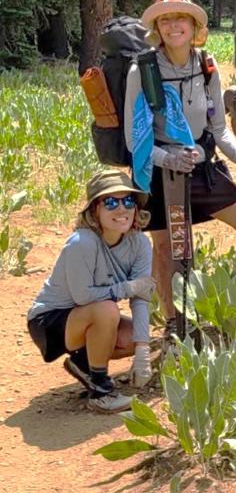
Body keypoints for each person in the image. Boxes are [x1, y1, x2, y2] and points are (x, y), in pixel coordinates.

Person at [125, 0, 236, 343]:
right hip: (160, 173)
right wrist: (167, 159)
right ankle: (176, 325)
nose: (173, 26)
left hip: (203, 167)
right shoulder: (142, 70)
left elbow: (218, 128)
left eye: (181, 19)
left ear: (195, 27)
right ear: (157, 29)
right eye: (165, 20)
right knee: (168, 249)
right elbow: (136, 139)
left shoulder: (206, 65)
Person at [27, 170, 155, 413]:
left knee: (133, 338)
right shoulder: (82, 242)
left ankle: (84, 364)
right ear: (94, 210)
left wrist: (142, 351)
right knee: (107, 310)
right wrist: (127, 288)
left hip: (90, 317)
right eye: (110, 202)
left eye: (128, 201)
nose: (121, 210)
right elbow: (83, 297)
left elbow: (141, 297)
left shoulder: (139, 244)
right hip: (52, 320)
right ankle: (100, 392)